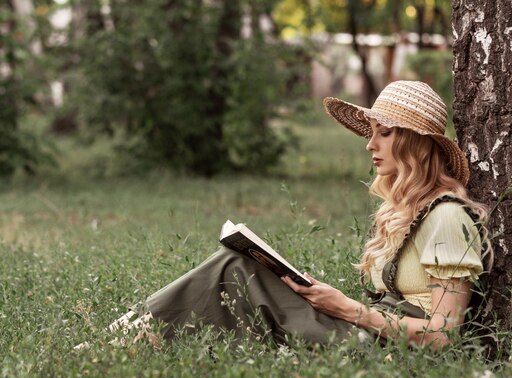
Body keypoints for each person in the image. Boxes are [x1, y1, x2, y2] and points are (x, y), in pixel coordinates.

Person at [105, 80, 492, 350]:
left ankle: (124, 339)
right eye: (370, 132)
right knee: (237, 263)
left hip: (384, 350)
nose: (370, 144)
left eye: (384, 132)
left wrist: (346, 308)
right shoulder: (402, 210)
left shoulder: (445, 217)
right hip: (364, 329)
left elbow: (443, 336)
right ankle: (133, 336)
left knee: (234, 269)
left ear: (415, 142)